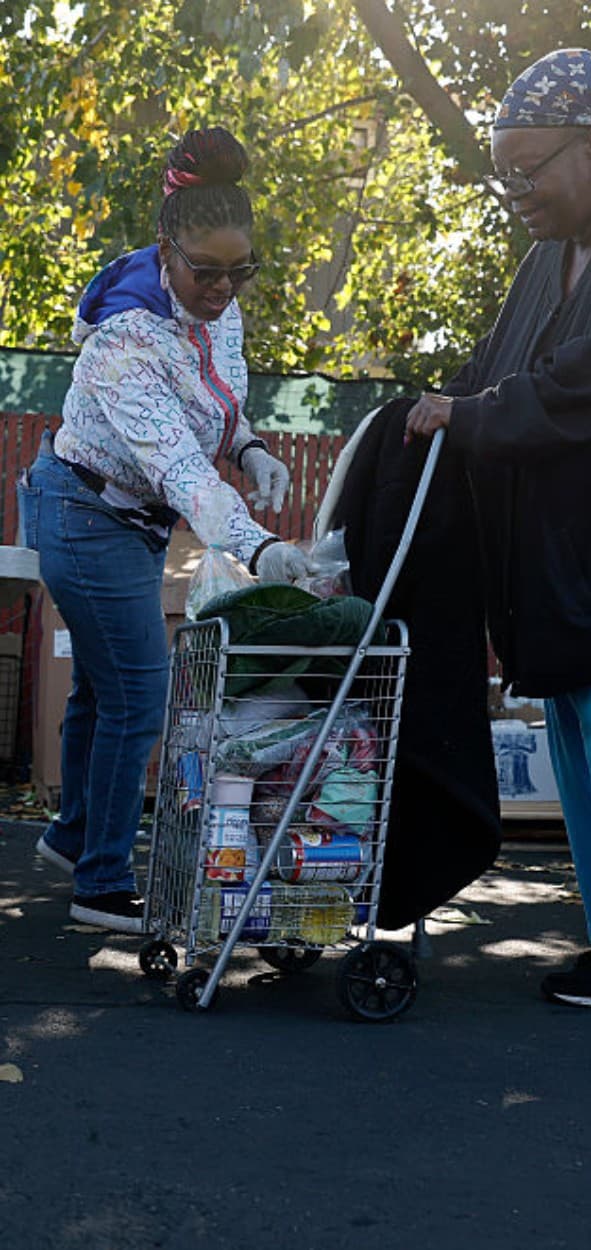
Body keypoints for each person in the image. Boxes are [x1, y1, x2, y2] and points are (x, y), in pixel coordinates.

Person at [404, 48, 591, 1010]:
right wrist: (437, 409)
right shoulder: (546, 260)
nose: (514, 190)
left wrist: (479, 415)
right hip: (566, 568)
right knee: (590, 771)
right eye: (503, 171)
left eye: (528, 167)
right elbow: (494, 368)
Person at [17, 125, 310, 934]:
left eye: (239, 271)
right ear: (165, 250)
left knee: (101, 687)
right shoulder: (127, 335)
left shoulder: (220, 306)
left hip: (126, 518)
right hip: (84, 511)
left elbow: (218, 399)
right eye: (206, 272)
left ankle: (76, 840)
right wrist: (257, 545)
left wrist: (249, 446)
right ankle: (102, 883)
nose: (223, 289)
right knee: (140, 693)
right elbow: (177, 466)